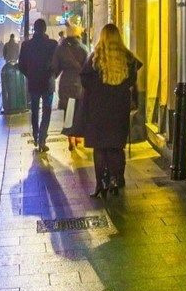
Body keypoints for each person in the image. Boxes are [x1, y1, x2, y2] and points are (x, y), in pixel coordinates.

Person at [82, 23, 141, 198]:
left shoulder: (95, 58)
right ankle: (116, 179)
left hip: (98, 110)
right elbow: (131, 81)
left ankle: (101, 182)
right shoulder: (127, 58)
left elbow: (85, 81)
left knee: (100, 148)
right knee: (116, 147)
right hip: (118, 110)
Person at [17, 19, 60, 153]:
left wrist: (29, 74)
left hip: (34, 82)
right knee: (46, 112)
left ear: (34, 29)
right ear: (45, 29)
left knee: (34, 111)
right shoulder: (53, 44)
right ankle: (42, 137)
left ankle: (36, 135)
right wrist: (53, 75)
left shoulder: (26, 45)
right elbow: (58, 64)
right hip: (48, 82)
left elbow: (21, 65)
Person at [52, 27, 89, 152]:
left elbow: (55, 69)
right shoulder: (84, 48)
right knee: (79, 109)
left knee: (68, 110)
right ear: (78, 34)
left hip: (66, 81)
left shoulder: (60, 49)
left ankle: (71, 138)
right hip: (79, 82)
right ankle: (78, 136)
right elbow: (87, 67)